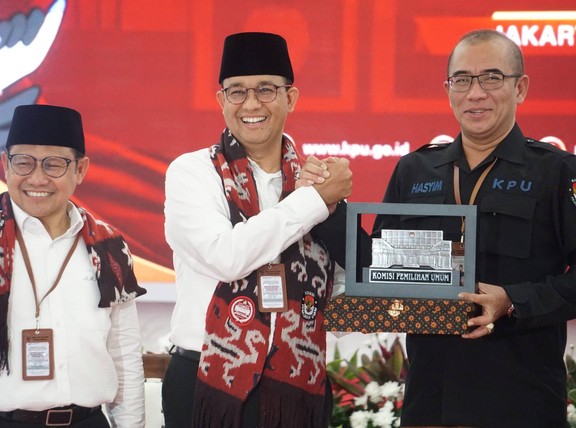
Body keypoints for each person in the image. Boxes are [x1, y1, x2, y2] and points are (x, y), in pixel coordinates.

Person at [304, 28, 576, 427]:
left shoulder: (557, 171)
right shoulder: (414, 170)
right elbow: (377, 269)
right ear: (448, 89)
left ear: (521, 88)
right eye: (462, 80)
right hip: (431, 399)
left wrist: (513, 301)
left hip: (522, 397)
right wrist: (326, 206)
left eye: (492, 78)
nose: (475, 93)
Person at [163, 32, 352, 428]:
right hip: (208, 381)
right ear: (221, 101)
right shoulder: (192, 172)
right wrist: (313, 202)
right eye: (237, 91)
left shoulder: (317, 180)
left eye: (266, 90)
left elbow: (337, 287)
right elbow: (226, 256)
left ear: (291, 98)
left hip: (298, 385)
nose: (251, 104)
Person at [0, 104, 147, 427]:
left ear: (80, 169)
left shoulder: (109, 247)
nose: (37, 178)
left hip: (85, 422)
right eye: (23, 162)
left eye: (54, 165)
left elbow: (124, 354)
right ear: (6, 165)